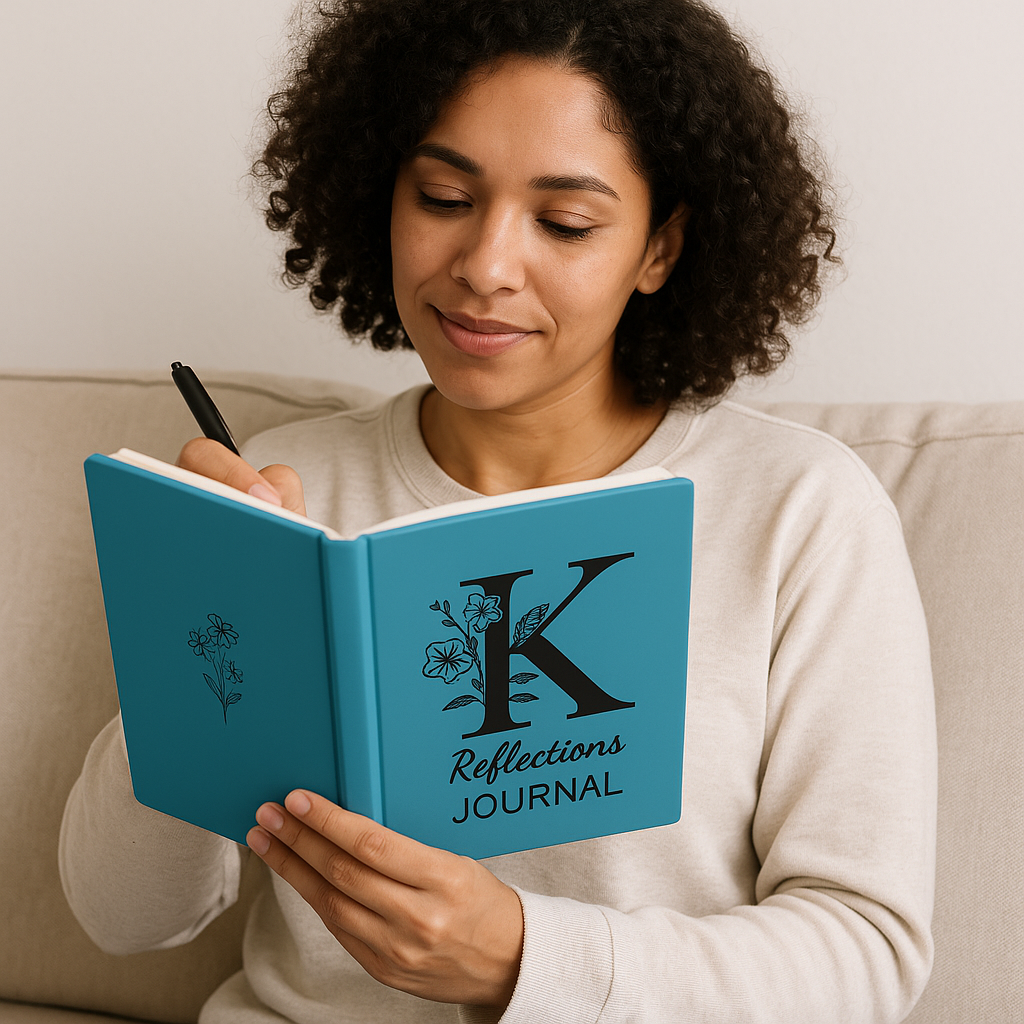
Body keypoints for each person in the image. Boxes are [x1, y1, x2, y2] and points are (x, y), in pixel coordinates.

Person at [59, 1, 937, 1021]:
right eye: (442, 196)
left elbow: (866, 950)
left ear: (659, 248)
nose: (482, 265)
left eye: (564, 222)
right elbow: (121, 915)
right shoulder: (281, 485)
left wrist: (520, 955)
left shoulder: (796, 512)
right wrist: (198, 619)